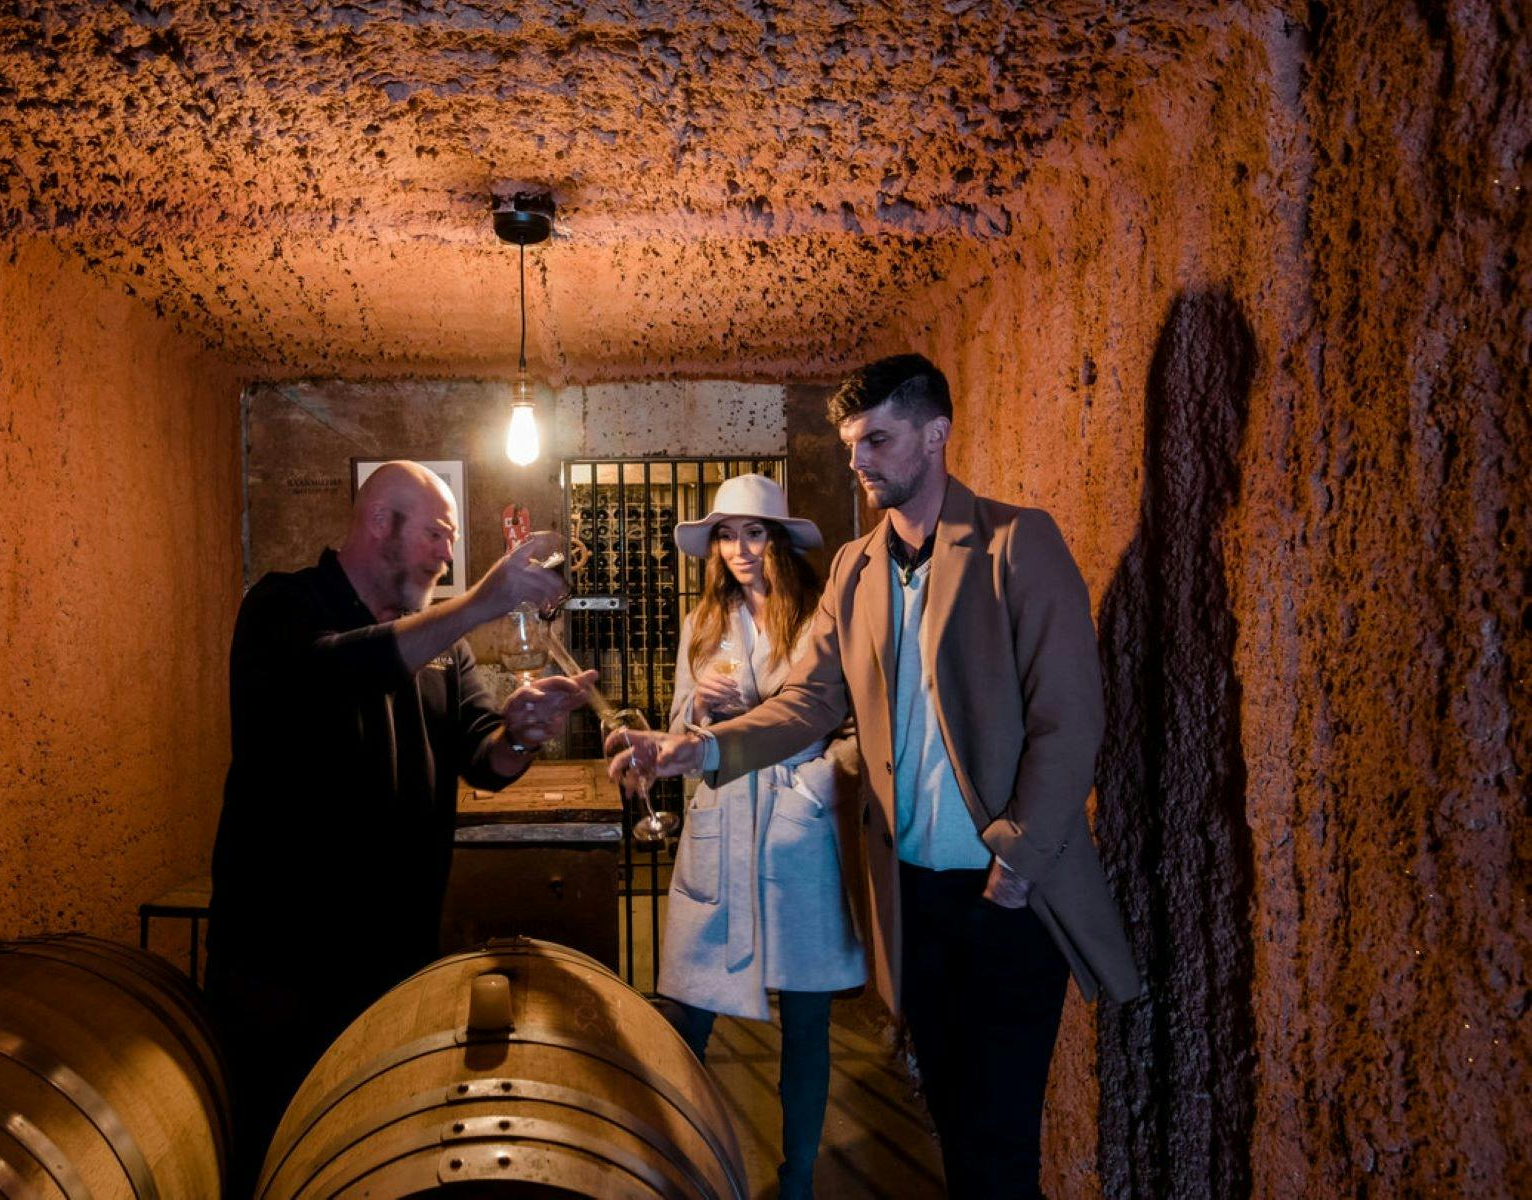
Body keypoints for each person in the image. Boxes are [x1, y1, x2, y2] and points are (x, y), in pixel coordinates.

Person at [610, 356, 1141, 1200]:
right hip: (914, 898)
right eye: (853, 445)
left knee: (1000, 1140)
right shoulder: (857, 568)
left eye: (878, 441)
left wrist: (1016, 865)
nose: (859, 463)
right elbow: (807, 701)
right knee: (957, 1131)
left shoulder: (1015, 542)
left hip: (1007, 895)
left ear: (935, 436)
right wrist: (697, 751)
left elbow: (1068, 720)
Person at [206, 461, 595, 1196]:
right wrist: (483, 602)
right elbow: (332, 674)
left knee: (373, 1160)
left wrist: (521, 732)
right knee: (272, 1157)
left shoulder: (441, 646)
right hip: (281, 963)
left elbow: (482, 752)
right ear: (380, 522)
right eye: (440, 533)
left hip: (392, 959)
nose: (449, 554)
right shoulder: (284, 606)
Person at [659, 474, 866, 1200]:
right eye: (726, 533)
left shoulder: (819, 619)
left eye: (753, 532)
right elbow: (681, 720)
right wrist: (701, 719)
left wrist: (806, 791)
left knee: (805, 1021)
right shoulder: (700, 623)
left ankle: (798, 1179)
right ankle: (678, 1167)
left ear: (777, 540)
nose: (740, 549)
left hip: (793, 835)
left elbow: (849, 729)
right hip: (720, 828)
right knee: (686, 1015)